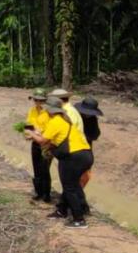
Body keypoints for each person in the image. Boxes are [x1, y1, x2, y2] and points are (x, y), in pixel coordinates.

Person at [28, 96, 93, 228]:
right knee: (72, 185)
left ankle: (79, 219)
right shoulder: (65, 120)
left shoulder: (56, 121)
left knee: (70, 187)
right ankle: (62, 210)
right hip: (85, 155)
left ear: (50, 110)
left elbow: (42, 141)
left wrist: (30, 132)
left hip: (73, 157)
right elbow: (53, 140)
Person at [21, 90, 54, 205]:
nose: (37, 102)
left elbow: (52, 129)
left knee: (45, 169)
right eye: (35, 100)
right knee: (36, 168)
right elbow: (29, 125)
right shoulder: (32, 110)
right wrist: (27, 133)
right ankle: (38, 192)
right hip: (35, 142)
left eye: (40, 100)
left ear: (45, 100)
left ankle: (46, 194)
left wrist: (40, 132)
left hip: (47, 144)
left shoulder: (50, 112)